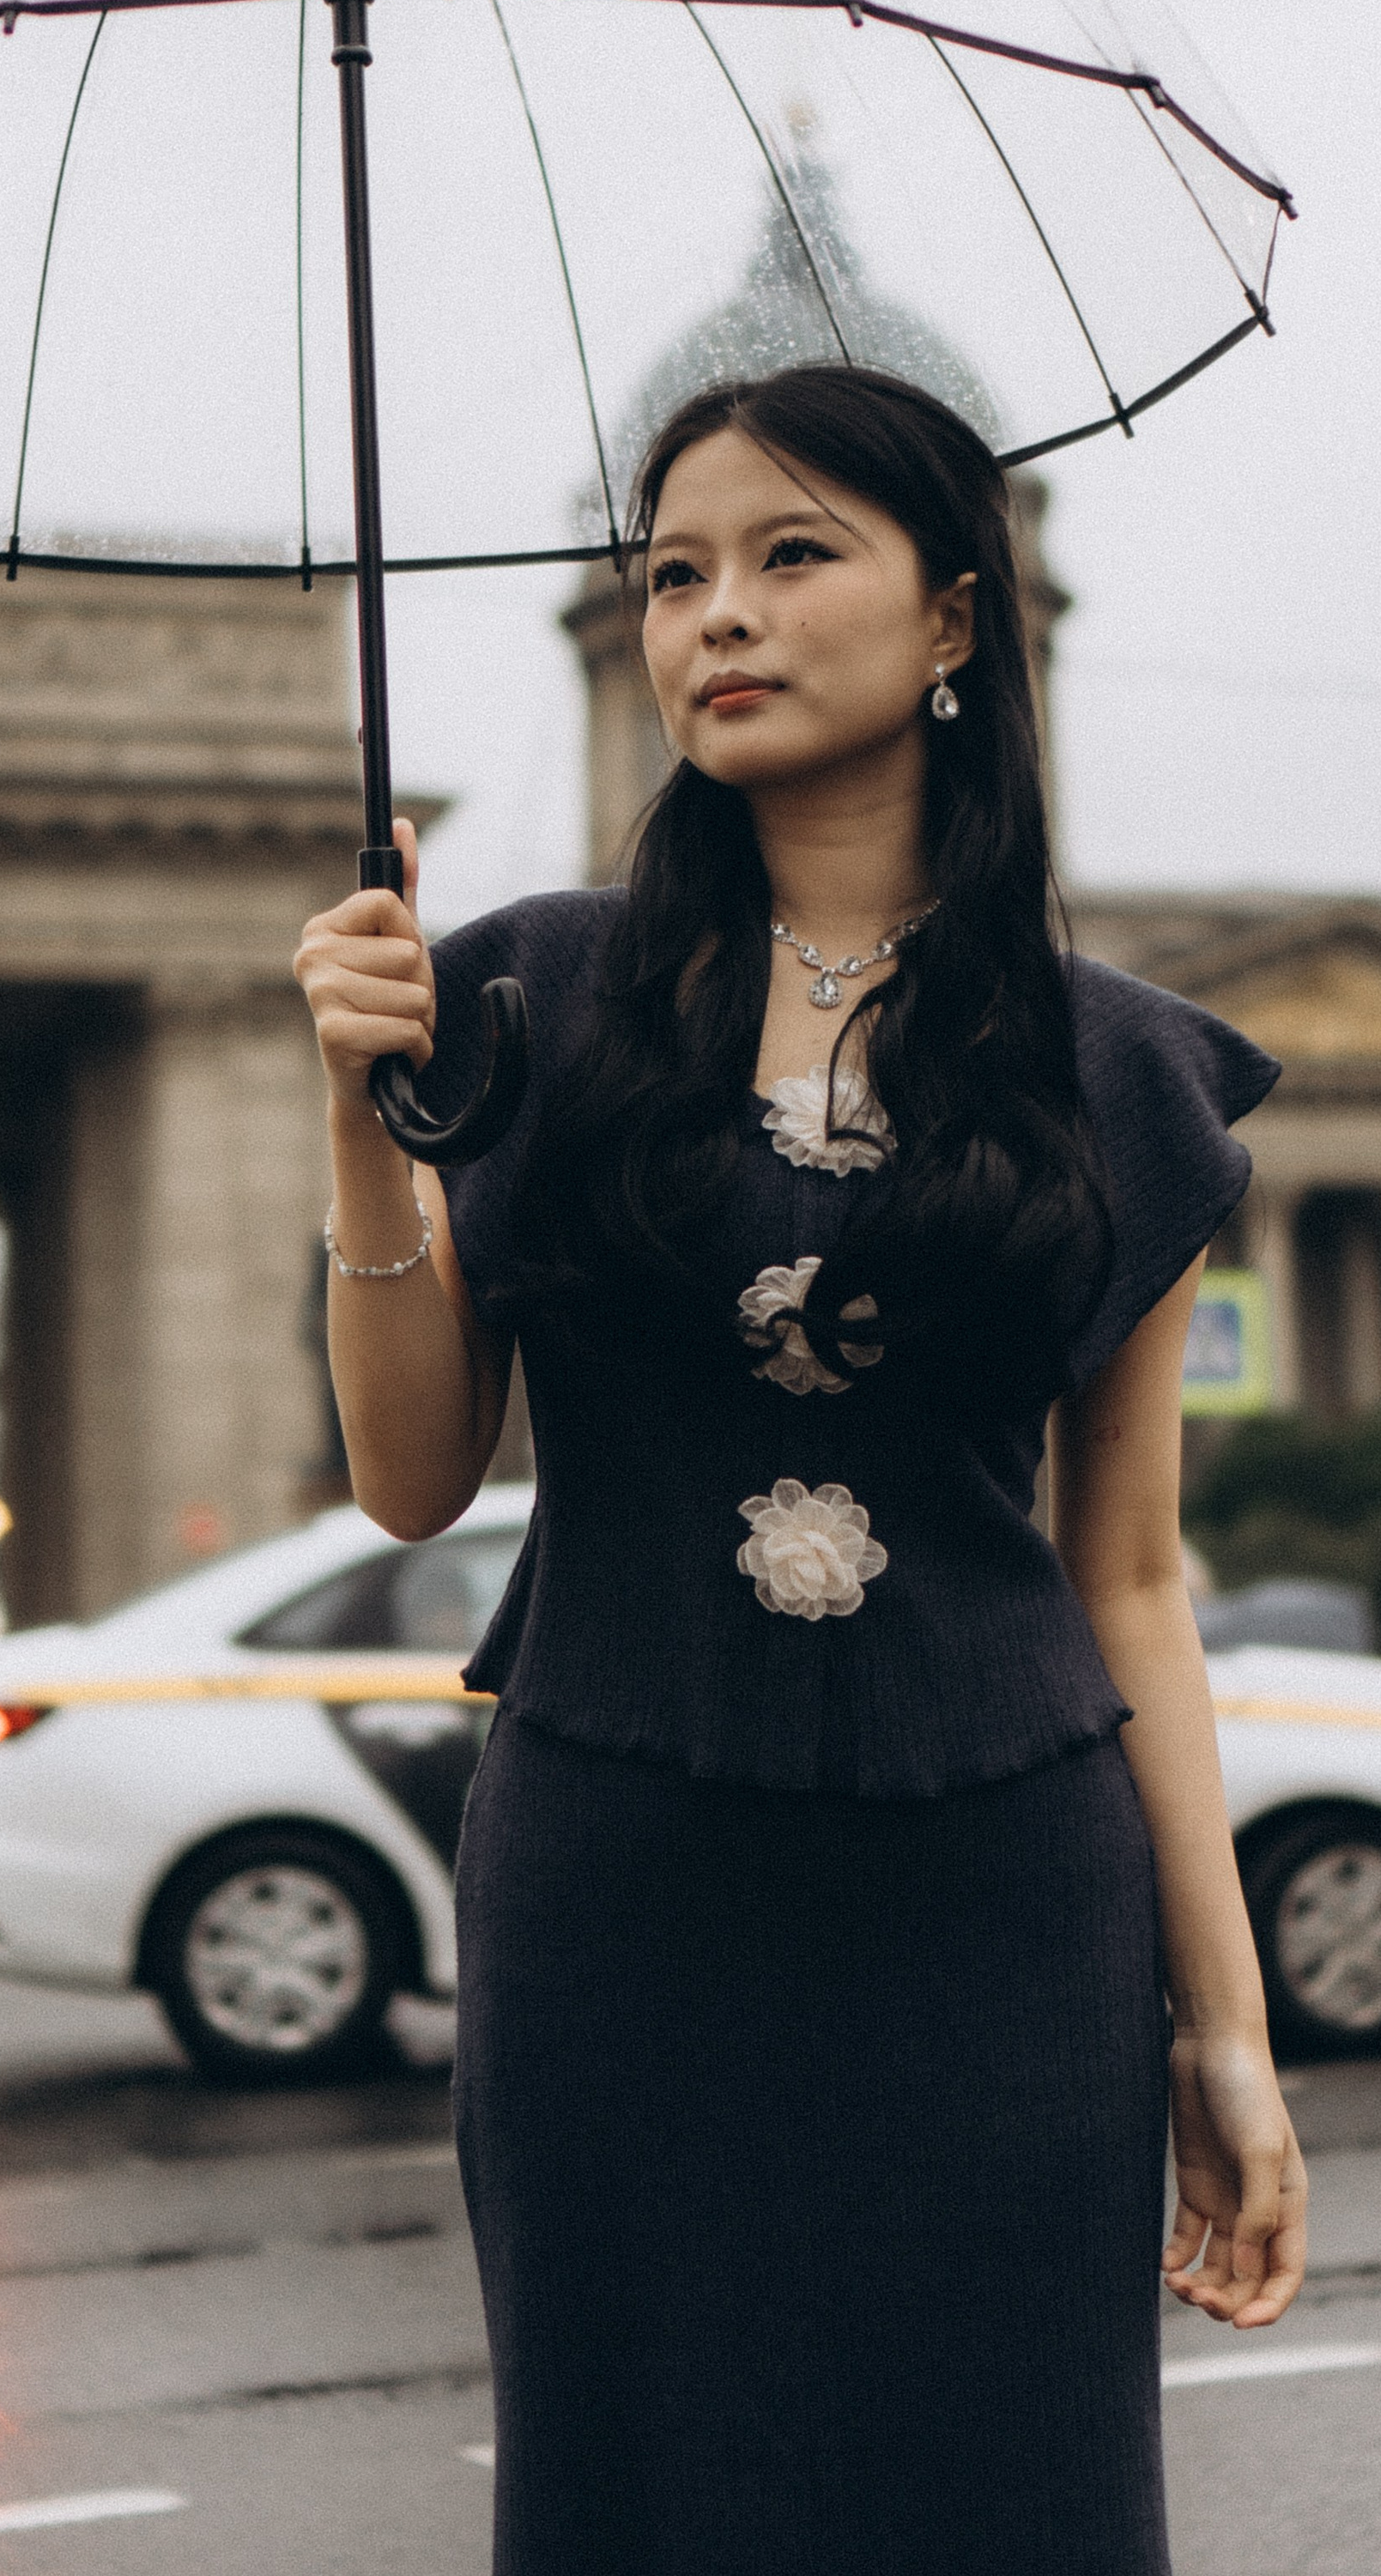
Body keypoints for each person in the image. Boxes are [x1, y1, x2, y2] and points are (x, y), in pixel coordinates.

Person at [294, 365, 1305, 2576]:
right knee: (644, 2496)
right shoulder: (525, 1002)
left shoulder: (1113, 1065)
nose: (713, 619)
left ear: (958, 624)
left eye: (790, 554)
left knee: (1006, 2507)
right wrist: (362, 1119)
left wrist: (1225, 2032)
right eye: (669, 577)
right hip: (620, 1878)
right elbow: (409, 1477)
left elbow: (1131, 1581)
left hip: (1007, 1902)